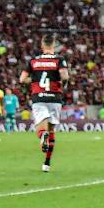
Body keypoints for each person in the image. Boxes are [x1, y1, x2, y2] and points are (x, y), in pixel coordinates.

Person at [18, 34, 70, 171]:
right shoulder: (59, 60)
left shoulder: (33, 61)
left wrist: (34, 81)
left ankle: (42, 136)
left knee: (40, 128)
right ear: (53, 45)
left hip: (39, 98)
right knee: (52, 130)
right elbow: (65, 76)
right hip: (55, 98)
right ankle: (46, 163)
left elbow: (22, 79)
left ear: (42, 45)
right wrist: (62, 85)